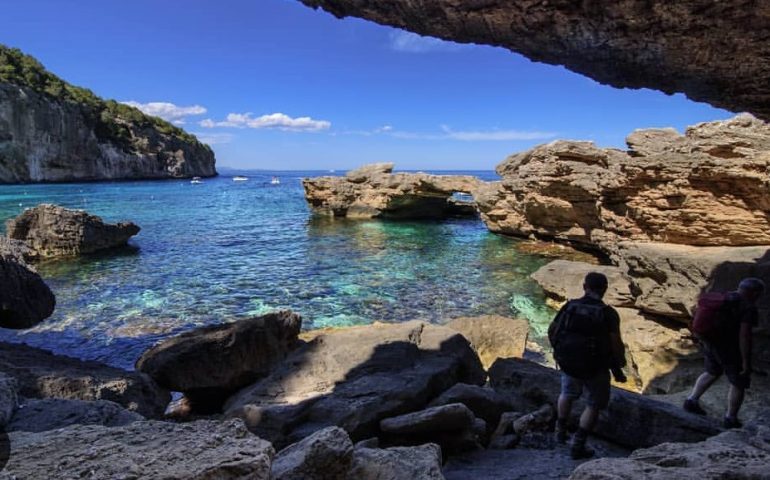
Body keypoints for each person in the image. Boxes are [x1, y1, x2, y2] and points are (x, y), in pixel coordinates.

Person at [548, 272, 626, 460]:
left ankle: (560, 432)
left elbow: (552, 330)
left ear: (585, 287)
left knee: (566, 394)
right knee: (593, 404)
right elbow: (615, 343)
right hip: (596, 366)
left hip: (569, 361)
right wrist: (618, 366)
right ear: (605, 289)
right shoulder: (608, 313)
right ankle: (578, 444)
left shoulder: (569, 306)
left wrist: (559, 351)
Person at [683, 277, 765, 428]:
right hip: (728, 346)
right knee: (739, 381)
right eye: (759, 293)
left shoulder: (724, 297)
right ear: (754, 293)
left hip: (710, 341)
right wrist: (746, 362)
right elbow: (744, 335)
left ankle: (691, 400)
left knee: (712, 371)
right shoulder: (747, 307)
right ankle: (730, 418)